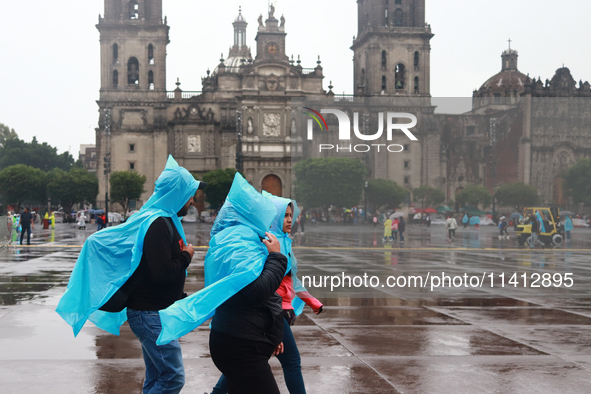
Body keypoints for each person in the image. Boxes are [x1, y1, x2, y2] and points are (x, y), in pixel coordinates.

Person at [56, 156, 204, 394]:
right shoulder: (157, 223)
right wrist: (186, 255)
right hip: (150, 314)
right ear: (177, 194)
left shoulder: (164, 220)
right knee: (173, 378)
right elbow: (162, 272)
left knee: (156, 377)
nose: (192, 200)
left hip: (156, 312)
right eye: (189, 193)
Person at [211, 194, 323, 394]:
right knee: (290, 361)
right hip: (266, 316)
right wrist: (276, 256)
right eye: (285, 215)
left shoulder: (281, 241)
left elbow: (290, 279)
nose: (290, 219)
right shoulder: (263, 242)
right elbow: (261, 288)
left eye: (292, 214)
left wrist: (311, 301)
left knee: (242, 368)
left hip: (262, 320)